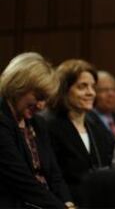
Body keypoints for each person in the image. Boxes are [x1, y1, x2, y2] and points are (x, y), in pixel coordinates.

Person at [0, 52, 75, 208]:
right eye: (39, 96)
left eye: (45, 99)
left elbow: (54, 173)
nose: (41, 106)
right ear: (18, 85)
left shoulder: (38, 123)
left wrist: (68, 202)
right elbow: (21, 180)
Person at [43, 59, 114, 205]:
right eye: (82, 87)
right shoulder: (49, 124)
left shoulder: (95, 124)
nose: (91, 93)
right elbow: (52, 175)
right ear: (64, 89)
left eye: (93, 87)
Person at [88, 71, 115, 143]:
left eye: (114, 90)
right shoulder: (88, 120)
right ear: (93, 93)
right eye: (104, 90)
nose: (111, 94)